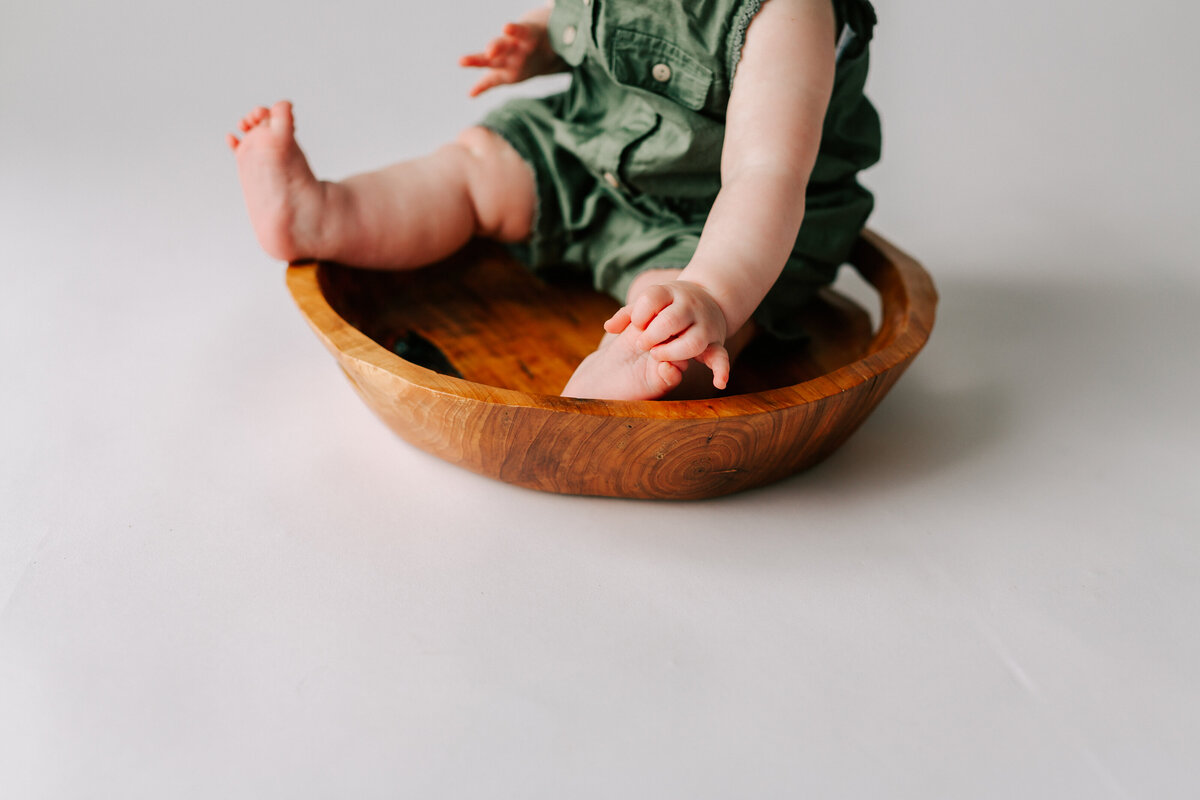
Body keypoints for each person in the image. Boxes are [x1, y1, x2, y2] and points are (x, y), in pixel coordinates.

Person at [228, 0, 879, 401]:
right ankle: (322, 213)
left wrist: (711, 292)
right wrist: (539, 46)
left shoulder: (789, 13)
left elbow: (764, 175)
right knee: (476, 166)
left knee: (685, 324)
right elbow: (578, 20)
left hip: (717, 226)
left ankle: (627, 370)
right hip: (589, 151)